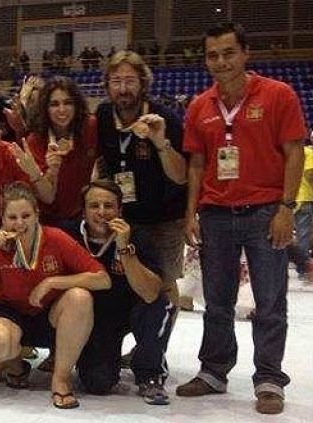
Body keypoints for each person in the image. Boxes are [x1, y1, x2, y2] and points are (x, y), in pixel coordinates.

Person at [179, 22, 307, 415]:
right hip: (216, 214)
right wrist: (191, 212)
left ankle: (269, 378)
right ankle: (214, 371)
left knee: (269, 302)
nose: (221, 62)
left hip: (266, 212)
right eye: (213, 55)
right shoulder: (200, 105)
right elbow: (197, 166)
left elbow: (295, 153)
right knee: (216, 302)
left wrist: (287, 208)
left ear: (245, 53)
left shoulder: (277, 95)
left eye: (228, 53)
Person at [0, 182, 109, 409]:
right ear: (3, 219)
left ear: (37, 214)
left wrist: (52, 281)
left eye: (26, 215)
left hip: (50, 314)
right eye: (12, 217)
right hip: (9, 313)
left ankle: (60, 379)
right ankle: (16, 368)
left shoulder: (55, 238)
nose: (19, 223)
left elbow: (102, 279)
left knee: (80, 297)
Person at [68, 180, 174, 405]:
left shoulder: (138, 236)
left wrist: (125, 249)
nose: (102, 212)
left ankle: (150, 373)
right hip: (94, 319)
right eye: (94, 206)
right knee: (98, 383)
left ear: (120, 210)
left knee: (159, 305)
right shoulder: (69, 235)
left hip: (134, 311)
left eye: (109, 206)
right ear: (83, 211)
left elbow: (150, 292)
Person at [96, 50, 187, 311]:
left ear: (142, 83)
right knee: (129, 280)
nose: (123, 88)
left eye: (130, 80)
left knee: (165, 283)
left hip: (165, 218)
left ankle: (157, 348)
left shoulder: (164, 118)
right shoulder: (103, 116)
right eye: (116, 81)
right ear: (107, 85)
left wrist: (160, 143)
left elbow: (181, 176)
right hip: (124, 217)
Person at [25, 76, 98, 224]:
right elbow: (45, 196)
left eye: (68, 103)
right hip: (47, 219)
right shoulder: (35, 141)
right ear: (45, 108)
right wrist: (52, 171)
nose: (62, 110)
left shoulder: (90, 127)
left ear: (76, 105)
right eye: (54, 104)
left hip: (82, 216)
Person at [287, 132, 313, 282]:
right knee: (303, 234)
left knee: (292, 235)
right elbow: (310, 175)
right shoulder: (308, 152)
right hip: (304, 197)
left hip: (292, 198)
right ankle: (304, 268)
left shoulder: (287, 153)